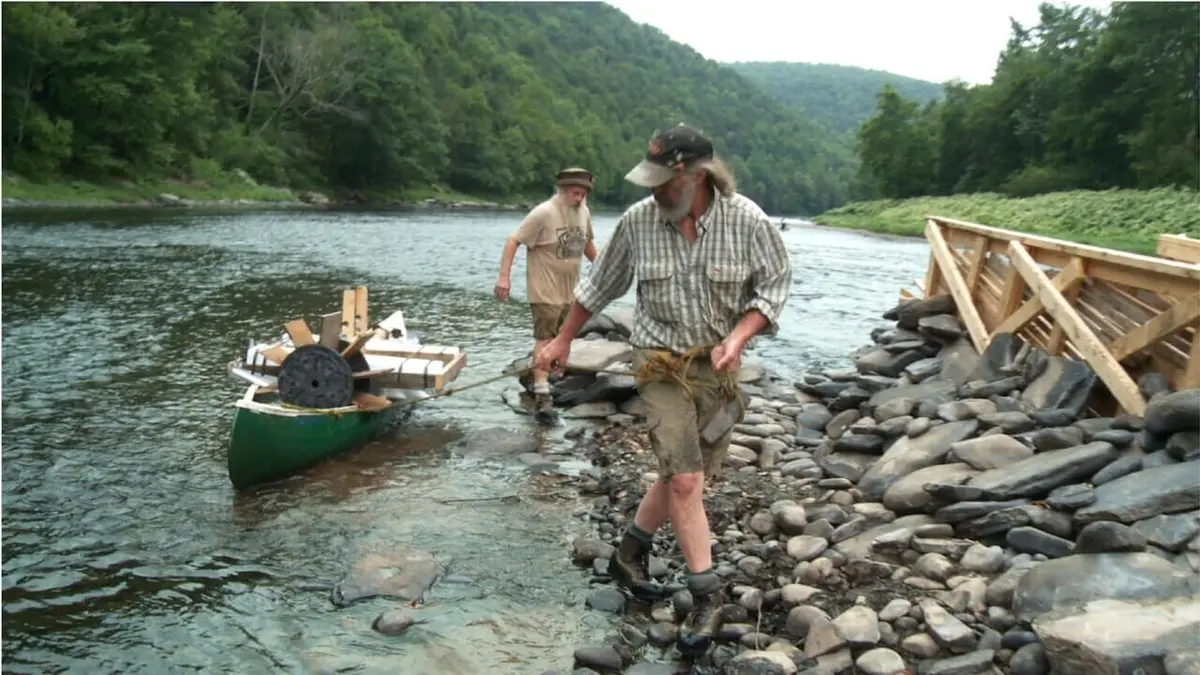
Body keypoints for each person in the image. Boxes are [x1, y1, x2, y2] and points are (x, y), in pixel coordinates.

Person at [534, 124, 793, 656]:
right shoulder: (637, 222)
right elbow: (597, 286)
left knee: (683, 476)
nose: (653, 190)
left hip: (717, 371)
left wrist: (739, 337)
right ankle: (707, 593)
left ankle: (629, 551)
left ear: (694, 174)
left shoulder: (748, 222)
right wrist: (562, 340)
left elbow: (773, 289)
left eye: (662, 181)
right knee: (686, 481)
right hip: (655, 364)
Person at [494, 167, 599, 422]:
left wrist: (603, 268)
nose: (579, 198)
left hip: (571, 290)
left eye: (583, 194)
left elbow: (587, 244)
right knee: (545, 338)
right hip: (544, 289)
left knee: (564, 337)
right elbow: (513, 240)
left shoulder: (583, 212)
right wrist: (504, 277)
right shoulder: (544, 213)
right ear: (563, 191)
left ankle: (546, 378)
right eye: (575, 193)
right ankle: (542, 395)